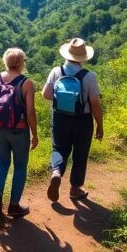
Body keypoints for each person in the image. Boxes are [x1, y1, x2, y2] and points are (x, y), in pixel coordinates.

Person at [42, 38, 103, 202]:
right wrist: (99, 125)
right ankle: (75, 188)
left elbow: (46, 95)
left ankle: (56, 172)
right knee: (80, 153)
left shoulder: (56, 71)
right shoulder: (89, 76)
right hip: (82, 120)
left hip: (60, 117)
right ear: (83, 57)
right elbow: (95, 104)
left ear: (67, 54)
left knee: (59, 148)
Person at [0, 47, 38, 219]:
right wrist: (35, 134)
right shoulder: (26, 83)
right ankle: (14, 206)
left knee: (1, 163)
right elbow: (30, 112)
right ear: (22, 63)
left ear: (5, 62)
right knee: (20, 166)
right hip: (19, 130)